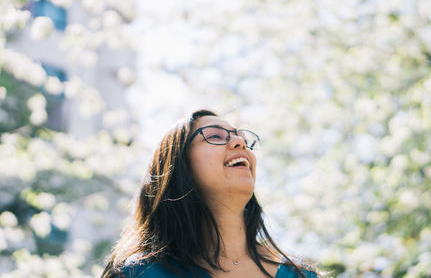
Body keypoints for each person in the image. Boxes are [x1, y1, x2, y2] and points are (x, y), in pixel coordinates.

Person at [101, 109, 320, 278]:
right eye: (215, 136)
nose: (239, 142)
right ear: (178, 166)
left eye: (243, 138)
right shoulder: (140, 274)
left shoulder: (301, 275)